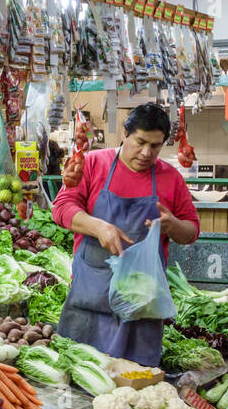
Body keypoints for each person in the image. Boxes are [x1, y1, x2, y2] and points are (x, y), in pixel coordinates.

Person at [53, 103, 199, 366]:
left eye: (155, 146)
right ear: (125, 133)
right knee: (78, 377)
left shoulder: (171, 178)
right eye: (140, 142)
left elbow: (191, 231)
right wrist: (99, 227)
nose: (146, 153)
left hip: (141, 307)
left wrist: (172, 225)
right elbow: (61, 208)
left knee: (135, 389)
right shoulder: (94, 164)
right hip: (90, 297)